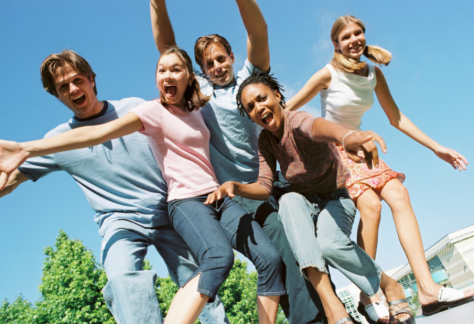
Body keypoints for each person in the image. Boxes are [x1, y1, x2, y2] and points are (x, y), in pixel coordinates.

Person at [0, 46, 286, 324]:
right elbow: (16, 175)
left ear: (91, 80)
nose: (73, 89)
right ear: (56, 94)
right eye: (64, 87)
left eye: (77, 80)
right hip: (130, 219)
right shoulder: (68, 137)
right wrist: (26, 150)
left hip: (173, 207)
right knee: (132, 276)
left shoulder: (156, 107)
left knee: (228, 269)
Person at [150, 1, 331, 322]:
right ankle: (314, 319)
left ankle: (337, 309)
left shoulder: (250, 81)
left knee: (305, 249)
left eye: (221, 59)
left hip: (275, 184)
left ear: (232, 57)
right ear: (202, 71)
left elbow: (258, 31)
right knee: (282, 251)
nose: (217, 66)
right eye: (209, 64)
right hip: (239, 195)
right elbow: (168, 50)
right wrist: (157, 5)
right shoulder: (201, 93)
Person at [285, 15, 474, 322]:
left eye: (358, 33)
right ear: (335, 43)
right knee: (371, 207)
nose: (354, 40)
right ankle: (369, 293)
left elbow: (396, 117)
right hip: (335, 153)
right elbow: (288, 110)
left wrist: (436, 147)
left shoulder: (372, 73)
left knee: (399, 193)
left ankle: (427, 289)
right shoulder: (327, 74)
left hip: (363, 150)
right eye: (346, 37)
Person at [205, 72, 416, 324]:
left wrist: (347, 136)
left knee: (330, 245)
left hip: (335, 199)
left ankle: (389, 286)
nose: (258, 108)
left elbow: (317, 127)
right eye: (250, 107)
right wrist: (234, 186)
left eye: (262, 99)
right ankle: (332, 308)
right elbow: (264, 187)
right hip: (305, 202)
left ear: (277, 95)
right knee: (288, 201)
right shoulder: (265, 141)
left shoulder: (296, 121)